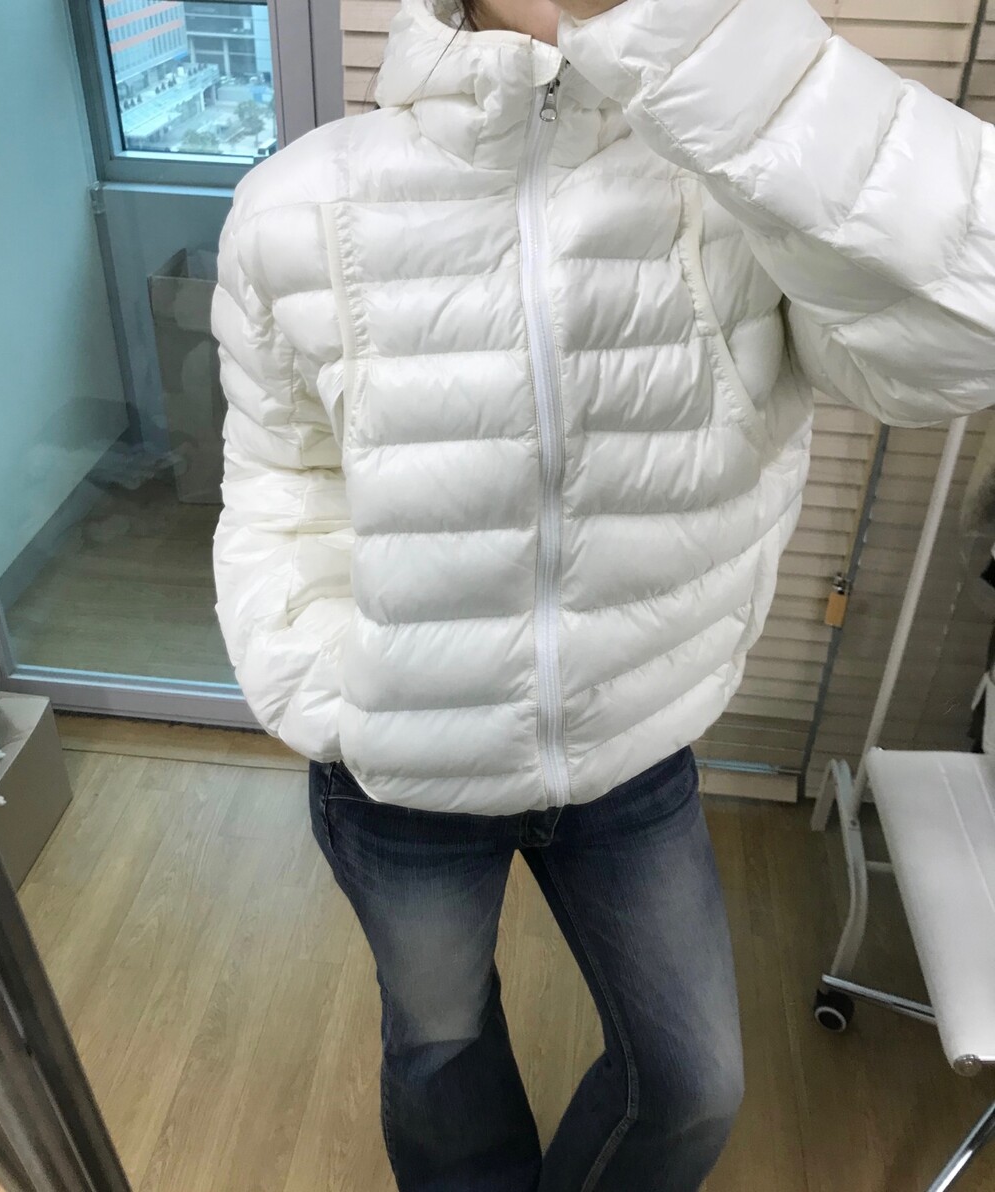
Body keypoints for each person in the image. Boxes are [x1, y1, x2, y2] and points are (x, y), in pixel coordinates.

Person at [210, 0, 995, 1185]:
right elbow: (281, 476)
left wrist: (707, 51)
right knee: (439, 1051)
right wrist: (333, 690)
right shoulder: (294, 202)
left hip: (632, 750)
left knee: (691, 1084)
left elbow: (967, 322)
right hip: (402, 765)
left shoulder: (736, 181)